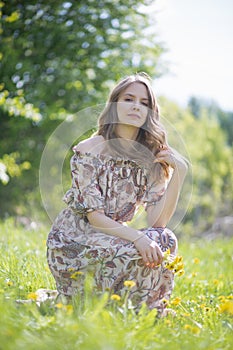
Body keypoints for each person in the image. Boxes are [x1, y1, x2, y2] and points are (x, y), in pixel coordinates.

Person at [46, 72, 188, 316]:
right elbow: (95, 218)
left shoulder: (150, 156)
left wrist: (180, 173)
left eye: (144, 103)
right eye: (128, 99)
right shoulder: (91, 149)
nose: (136, 106)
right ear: (114, 105)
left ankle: (145, 310)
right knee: (139, 246)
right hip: (74, 241)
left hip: (115, 238)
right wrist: (138, 238)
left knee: (165, 239)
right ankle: (123, 308)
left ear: (150, 112)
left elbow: (158, 222)